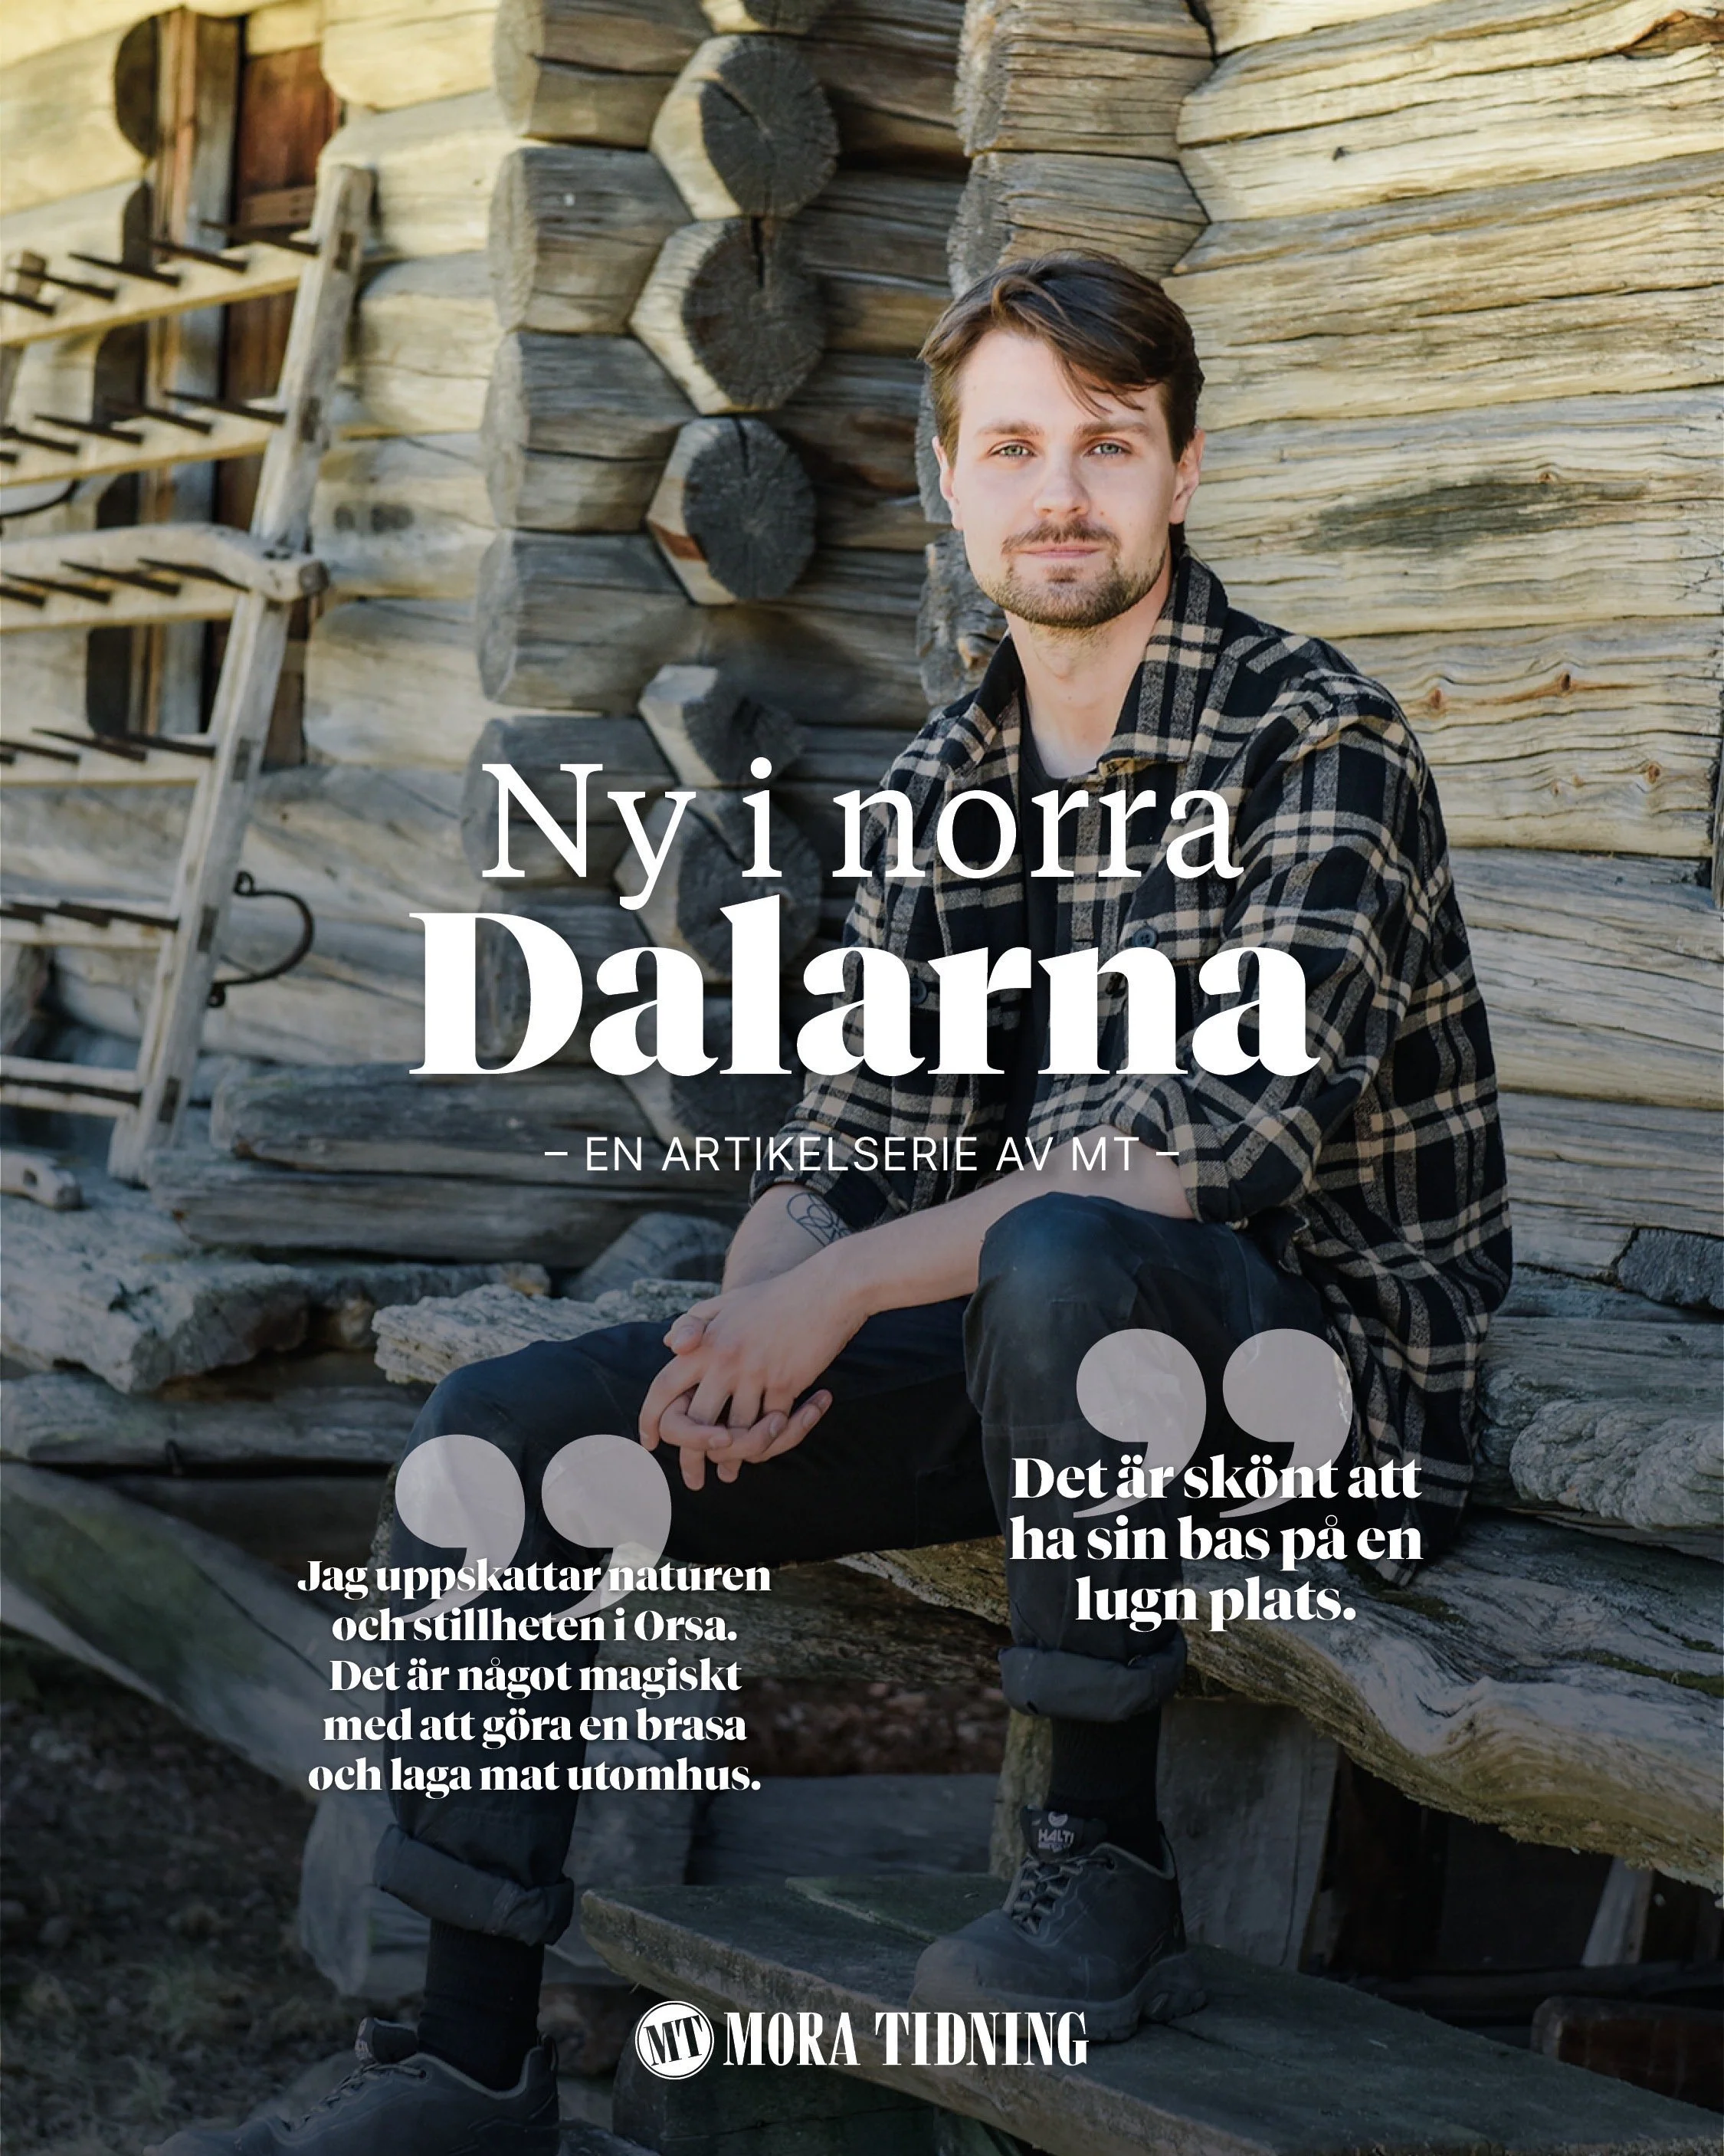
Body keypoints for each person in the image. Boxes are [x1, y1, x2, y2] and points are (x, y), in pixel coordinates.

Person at [164, 252, 1510, 2156]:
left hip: (1317, 1398)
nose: (1061, 492)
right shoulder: (958, 764)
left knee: (1066, 1242)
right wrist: (759, 1321)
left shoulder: (1314, 738)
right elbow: (852, 1139)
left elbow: (1195, 1148)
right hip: (1030, 1370)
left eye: (1109, 444)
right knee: (504, 1435)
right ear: (952, 481)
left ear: (1185, 469)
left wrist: (852, 1284)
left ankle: (1102, 1870)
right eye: (1014, 448)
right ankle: (458, 2062)